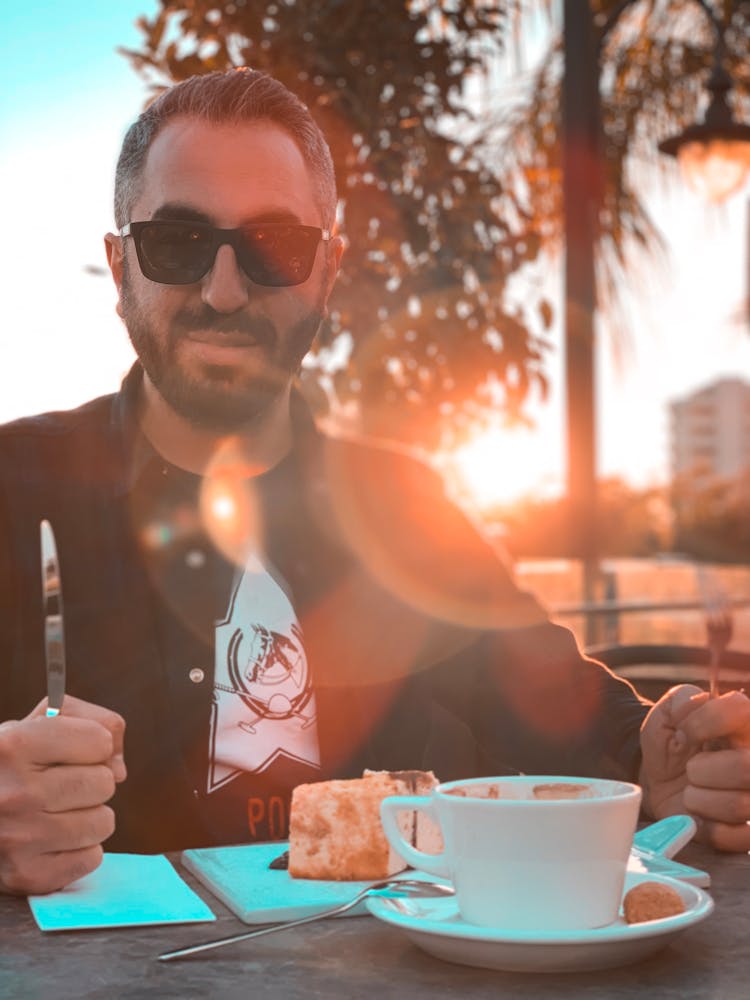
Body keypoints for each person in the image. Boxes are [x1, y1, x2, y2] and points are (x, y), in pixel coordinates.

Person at [1, 69, 748, 897]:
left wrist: (668, 765)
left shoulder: (406, 509)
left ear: (327, 269)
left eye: (275, 247)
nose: (222, 290)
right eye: (176, 244)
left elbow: (566, 712)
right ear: (119, 266)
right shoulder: (14, 488)